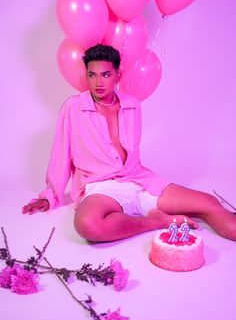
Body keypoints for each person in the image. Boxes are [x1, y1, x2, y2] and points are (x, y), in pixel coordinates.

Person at [22, 44, 236, 242]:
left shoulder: (132, 105)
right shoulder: (74, 107)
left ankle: (157, 211)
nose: (98, 82)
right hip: (101, 187)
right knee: (88, 225)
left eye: (106, 75)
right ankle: (159, 220)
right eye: (92, 75)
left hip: (139, 180)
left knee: (209, 203)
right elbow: (62, 154)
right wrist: (50, 195)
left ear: (118, 75)